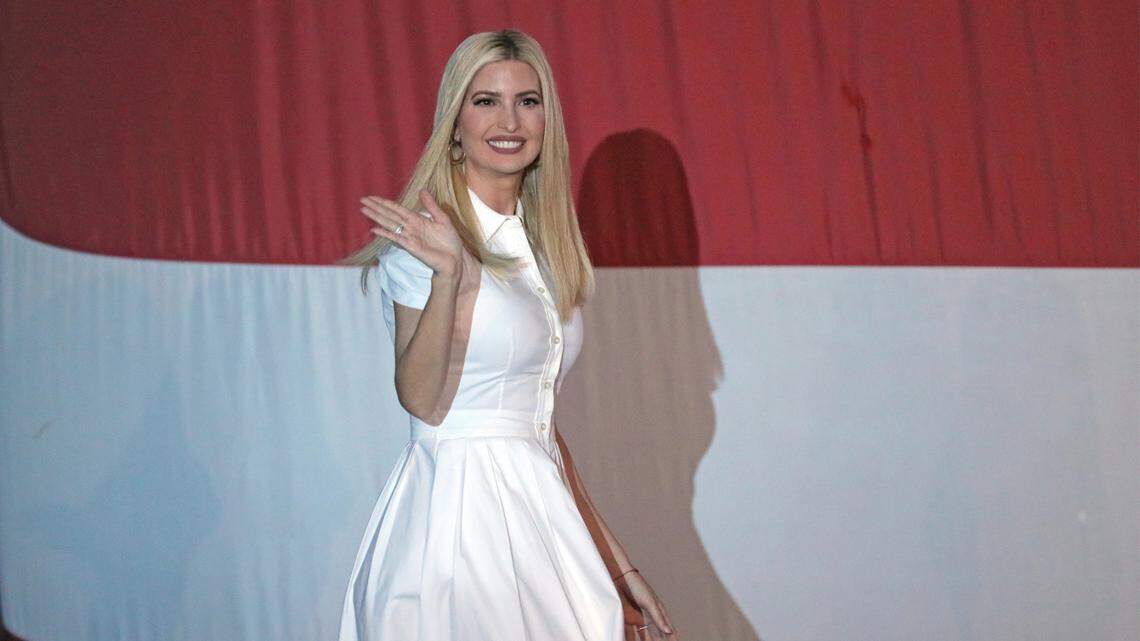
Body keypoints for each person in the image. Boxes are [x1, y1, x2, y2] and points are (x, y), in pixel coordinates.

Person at [336, 29, 675, 640]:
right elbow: (418, 400)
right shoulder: (423, 247)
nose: (510, 119)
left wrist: (615, 565)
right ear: (455, 124)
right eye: (485, 100)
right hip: (458, 533)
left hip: (543, 523)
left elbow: (539, 431)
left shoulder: (543, 252)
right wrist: (449, 278)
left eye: (528, 99)